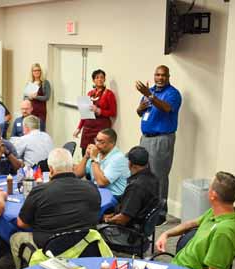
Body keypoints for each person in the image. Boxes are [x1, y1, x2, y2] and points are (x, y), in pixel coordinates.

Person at [10, 148, 100, 269]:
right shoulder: (92, 188)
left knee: (15, 238)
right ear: (72, 166)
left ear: (51, 170)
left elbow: (21, 223)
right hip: (85, 244)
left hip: (49, 248)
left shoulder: (39, 191)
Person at [156, 172, 235, 269]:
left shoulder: (225, 231)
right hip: (177, 267)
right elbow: (191, 224)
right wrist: (166, 234)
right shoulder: (215, 212)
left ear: (213, 195)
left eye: (209, 187)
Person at [136, 65, 182, 224]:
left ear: (168, 77)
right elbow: (141, 112)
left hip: (162, 139)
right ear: (154, 76)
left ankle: (160, 213)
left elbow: (166, 108)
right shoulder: (150, 90)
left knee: (158, 176)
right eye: (157, 75)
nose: (160, 78)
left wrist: (149, 95)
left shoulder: (173, 94)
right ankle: (146, 208)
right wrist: (140, 107)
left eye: (163, 75)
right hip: (145, 138)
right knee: (143, 173)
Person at [103, 146, 159, 226]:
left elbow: (123, 219)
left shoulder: (136, 187)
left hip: (127, 230)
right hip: (141, 222)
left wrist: (107, 220)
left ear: (130, 164)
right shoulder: (153, 179)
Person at [73, 128, 129, 197]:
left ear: (112, 143)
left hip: (113, 197)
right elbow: (77, 174)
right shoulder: (98, 153)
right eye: (96, 140)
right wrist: (86, 156)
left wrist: (94, 159)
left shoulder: (118, 158)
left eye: (101, 142)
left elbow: (101, 183)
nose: (97, 144)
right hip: (98, 192)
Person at [74, 69, 117, 155]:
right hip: (87, 128)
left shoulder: (109, 94)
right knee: (85, 153)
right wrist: (79, 128)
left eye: (102, 77)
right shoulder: (90, 93)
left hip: (101, 128)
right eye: (97, 78)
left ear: (104, 79)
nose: (100, 79)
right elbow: (85, 113)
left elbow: (113, 112)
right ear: (93, 80)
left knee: (98, 154)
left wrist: (99, 111)